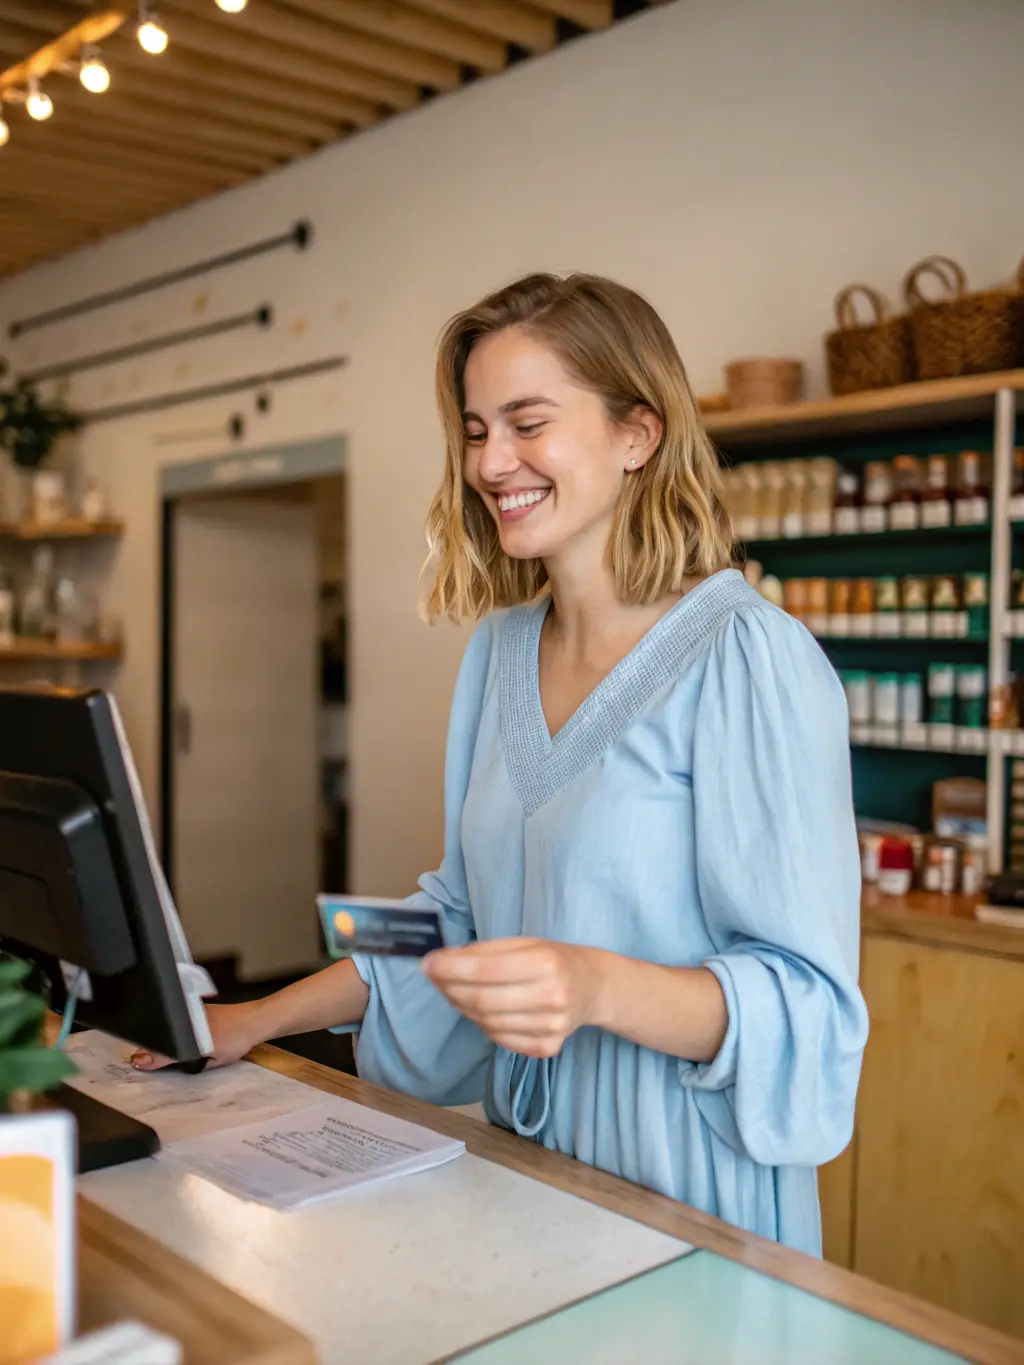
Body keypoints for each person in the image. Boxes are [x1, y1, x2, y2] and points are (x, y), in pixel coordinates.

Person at [134, 273, 868, 1255]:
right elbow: (454, 921)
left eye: (527, 423)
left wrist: (595, 986)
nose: (491, 462)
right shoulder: (500, 652)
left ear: (636, 433)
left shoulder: (744, 659)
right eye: (476, 430)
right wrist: (251, 1021)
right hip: (531, 1168)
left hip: (689, 1190)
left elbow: (809, 1002)